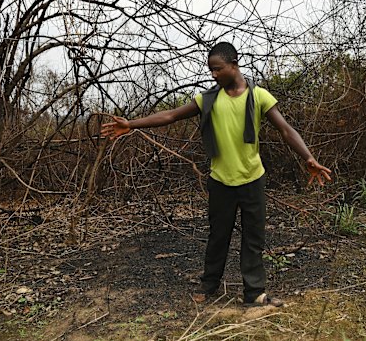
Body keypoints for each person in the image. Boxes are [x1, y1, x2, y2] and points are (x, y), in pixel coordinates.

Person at [101, 42, 332, 307]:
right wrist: (131, 124)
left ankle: (254, 293)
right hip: (221, 181)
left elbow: (286, 130)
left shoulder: (259, 96)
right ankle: (209, 285)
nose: (213, 74)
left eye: (218, 69)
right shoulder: (209, 99)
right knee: (218, 236)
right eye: (210, 70)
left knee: (253, 238)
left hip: (252, 179)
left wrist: (309, 157)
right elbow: (170, 116)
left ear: (234, 64)